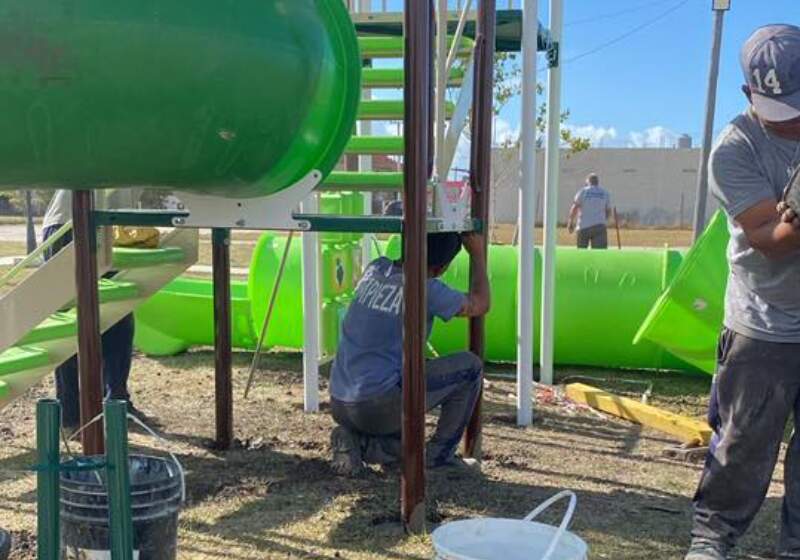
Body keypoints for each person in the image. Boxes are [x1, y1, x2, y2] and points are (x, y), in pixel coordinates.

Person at [685, 24, 800, 560]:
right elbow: (770, 240)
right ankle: (712, 540)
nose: (790, 121)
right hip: (765, 319)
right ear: (748, 93)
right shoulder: (734, 149)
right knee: (741, 444)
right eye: (779, 110)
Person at [329, 231, 490, 475]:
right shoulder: (426, 287)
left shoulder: (376, 268)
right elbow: (481, 303)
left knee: (407, 446)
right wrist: (477, 255)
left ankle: (357, 441)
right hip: (377, 404)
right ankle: (439, 457)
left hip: (340, 400)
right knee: (470, 367)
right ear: (440, 268)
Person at [41, 189, 142, 430]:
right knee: (77, 321)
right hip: (78, 222)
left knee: (116, 314)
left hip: (99, 222)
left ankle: (112, 401)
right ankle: (76, 408)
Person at [567, 173, 611, 249]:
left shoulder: (582, 191)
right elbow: (608, 211)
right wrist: (604, 221)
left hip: (583, 227)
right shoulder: (605, 193)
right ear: (597, 182)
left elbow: (574, 208)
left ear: (588, 182)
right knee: (599, 253)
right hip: (599, 226)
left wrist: (570, 222)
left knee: (581, 252)